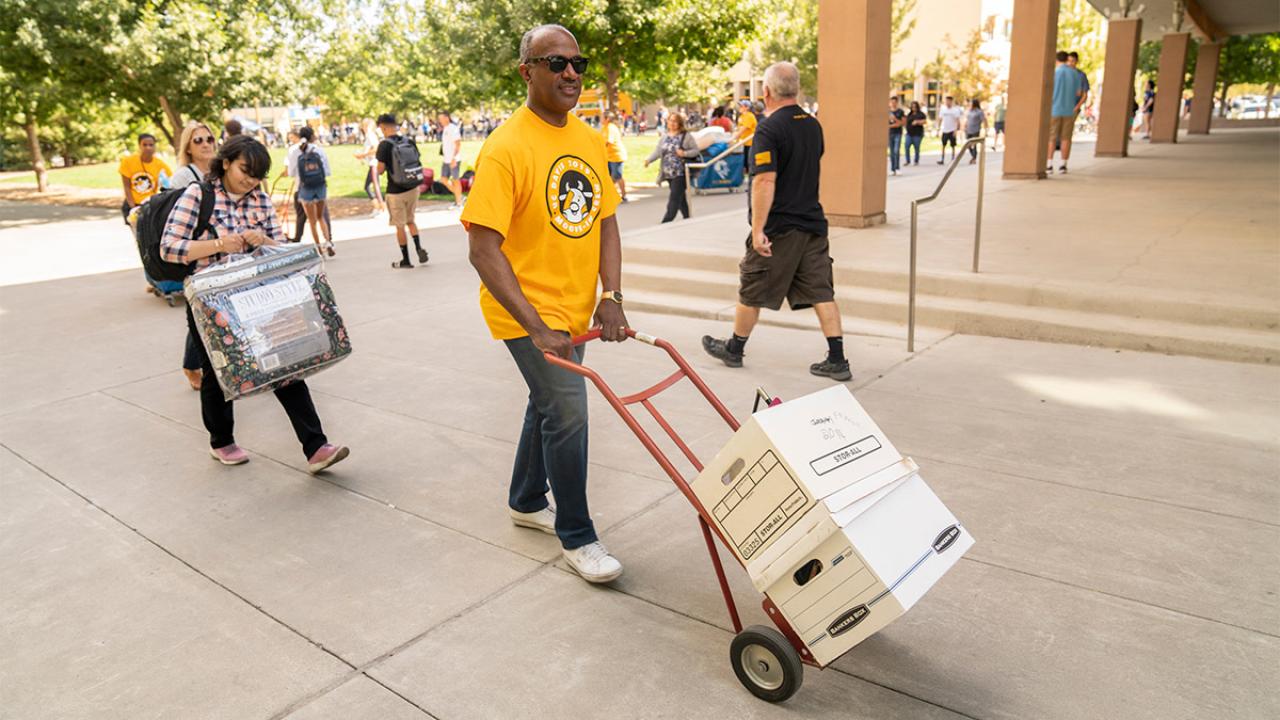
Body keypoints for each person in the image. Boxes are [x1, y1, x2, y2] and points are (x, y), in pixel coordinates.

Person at [463, 24, 627, 583]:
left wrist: (611, 296)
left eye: (578, 62)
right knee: (568, 410)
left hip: (575, 307)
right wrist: (535, 326)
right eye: (556, 63)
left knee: (550, 403)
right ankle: (578, 536)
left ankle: (527, 499)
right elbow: (483, 250)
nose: (571, 73)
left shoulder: (588, 139)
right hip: (524, 309)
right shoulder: (506, 148)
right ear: (526, 71)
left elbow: (605, 221)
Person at [160, 135, 349, 473]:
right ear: (227, 162)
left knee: (285, 366)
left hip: (256, 297)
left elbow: (280, 248)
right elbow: (169, 248)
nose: (250, 180)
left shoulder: (259, 199)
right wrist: (219, 245)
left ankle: (316, 447)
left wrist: (264, 240)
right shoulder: (198, 195)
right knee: (219, 371)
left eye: (257, 175)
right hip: (210, 303)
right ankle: (221, 441)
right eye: (245, 171)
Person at [701, 61, 850, 382]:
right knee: (821, 291)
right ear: (796, 88)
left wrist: (758, 230)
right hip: (813, 223)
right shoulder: (812, 125)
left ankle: (734, 349)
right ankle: (837, 358)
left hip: (779, 228)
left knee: (752, 287)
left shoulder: (769, 129)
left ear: (766, 92)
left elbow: (764, 180)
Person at [170, 121, 218, 391]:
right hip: (195, 255)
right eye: (198, 140)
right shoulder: (182, 177)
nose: (205, 144)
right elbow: (176, 223)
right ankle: (191, 364)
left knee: (215, 310)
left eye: (209, 138)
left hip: (221, 251)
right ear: (187, 147)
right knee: (202, 311)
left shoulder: (220, 170)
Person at [376, 113, 428, 269]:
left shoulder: (384, 145)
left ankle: (406, 259)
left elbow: (380, 170)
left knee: (399, 225)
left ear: (383, 127)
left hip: (395, 191)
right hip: (412, 187)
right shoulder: (408, 141)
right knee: (411, 221)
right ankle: (418, 247)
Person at [286, 126, 335, 256]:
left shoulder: (294, 151)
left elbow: (291, 172)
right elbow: (327, 170)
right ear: (312, 136)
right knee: (321, 216)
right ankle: (328, 242)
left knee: (312, 221)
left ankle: (318, 247)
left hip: (304, 187)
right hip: (320, 186)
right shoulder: (319, 150)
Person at [644, 112, 700, 223]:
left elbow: (695, 150)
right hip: (667, 173)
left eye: (675, 121)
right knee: (680, 197)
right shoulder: (665, 137)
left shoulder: (686, 136)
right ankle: (687, 218)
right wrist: (649, 160)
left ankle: (666, 221)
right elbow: (658, 151)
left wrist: (684, 153)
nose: (672, 123)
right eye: (670, 120)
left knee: (674, 198)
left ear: (680, 123)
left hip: (680, 172)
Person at [118, 134, 173, 224]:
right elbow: (127, 187)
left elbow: (169, 184)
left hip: (149, 205)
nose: (148, 148)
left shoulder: (160, 165)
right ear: (139, 146)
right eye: (144, 145)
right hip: (133, 204)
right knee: (137, 231)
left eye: (151, 145)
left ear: (155, 146)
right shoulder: (128, 161)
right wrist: (133, 208)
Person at [1047, 50, 1085, 174]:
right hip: (1069, 110)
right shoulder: (1075, 74)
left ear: (1057, 60)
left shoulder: (1054, 73)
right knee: (1066, 138)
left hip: (1054, 109)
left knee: (1051, 137)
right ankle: (1063, 165)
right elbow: (1079, 93)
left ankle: (1049, 164)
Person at [356, 118, 386, 214]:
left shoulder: (370, 136)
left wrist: (363, 155)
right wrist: (363, 156)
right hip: (372, 163)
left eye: (365, 125)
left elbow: (376, 148)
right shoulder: (368, 136)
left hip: (374, 163)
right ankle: (378, 206)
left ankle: (381, 207)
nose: (364, 127)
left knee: (374, 185)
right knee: (369, 186)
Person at [602, 110, 630, 203]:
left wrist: (600, 148)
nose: (601, 119)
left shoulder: (611, 128)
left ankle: (624, 196)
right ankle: (610, 195)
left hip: (616, 155)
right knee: (610, 177)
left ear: (607, 119)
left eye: (602, 117)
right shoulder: (604, 127)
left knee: (617, 176)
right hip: (609, 156)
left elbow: (608, 141)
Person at [438, 111, 464, 209]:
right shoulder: (445, 128)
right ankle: (459, 197)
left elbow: (458, 144)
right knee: (443, 179)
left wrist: (454, 158)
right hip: (446, 160)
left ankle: (459, 203)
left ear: (447, 118)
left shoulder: (453, 128)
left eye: (441, 118)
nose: (440, 121)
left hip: (454, 159)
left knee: (455, 180)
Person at [937, 96, 963, 165]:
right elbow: (940, 119)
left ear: (951, 101)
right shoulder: (943, 109)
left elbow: (957, 121)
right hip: (944, 130)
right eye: (946, 101)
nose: (947, 102)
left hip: (952, 130)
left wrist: (956, 130)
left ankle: (953, 159)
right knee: (943, 145)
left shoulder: (955, 110)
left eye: (949, 101)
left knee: (953, 145)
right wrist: (938, 129)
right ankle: (942, 159)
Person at [965, 99, 988, 164]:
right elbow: (967, 119)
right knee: (968, 145)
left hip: (976, 130)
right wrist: (965, 126)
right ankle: (973, 156)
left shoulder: (979, 112)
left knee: (974, 145)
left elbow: (984, 120)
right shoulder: (969, 111)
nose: (970, 104)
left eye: (971, 103)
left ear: (974, 104)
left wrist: (986, 130)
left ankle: (974, 158)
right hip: (968, 130)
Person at [888, 96, 906, 175]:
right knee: (891, 152)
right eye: (892, 102)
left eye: (894, 102)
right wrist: (894, 125)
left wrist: (895, 119)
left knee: (896, 151)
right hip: (890, 133)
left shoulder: (900, 111)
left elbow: (903, 123)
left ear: (897, 103)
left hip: (898, 133)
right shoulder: (888, 112)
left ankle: (897, 168)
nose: (893, 104)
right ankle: (892, 169)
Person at [905, 101, 926, 165]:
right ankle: (907, 161)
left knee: (916, 148)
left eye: (915, 107)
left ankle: (916, 160)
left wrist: (917, 122)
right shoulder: (909, 114)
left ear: (917, 107)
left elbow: (924, 121)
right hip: (909, 134)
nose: (913, 108)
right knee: (907, 146)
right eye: (912, 107)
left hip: (917, 134)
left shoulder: (921, 114)